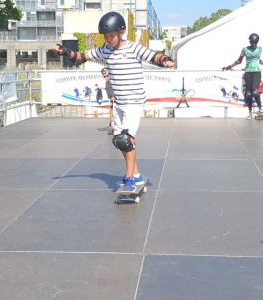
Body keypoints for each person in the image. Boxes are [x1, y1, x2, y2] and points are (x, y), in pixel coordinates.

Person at [52, 11, 175, 192]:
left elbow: (153, 56)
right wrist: (64, 52)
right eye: (106, 37)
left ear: (121, 31)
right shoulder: (105, 50)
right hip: (119, 103)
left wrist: (165, 60)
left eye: (112, 36)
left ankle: (129, 178)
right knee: (119, 141)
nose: (109, 40)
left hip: (134, 101)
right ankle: (136, 175)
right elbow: (82, 57)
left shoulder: (133, 48)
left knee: (126, 139)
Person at [222, 33, 263, 119]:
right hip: (248, 72)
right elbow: (239, 61)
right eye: (252, 43)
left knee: (255, 92)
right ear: (250, 41)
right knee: (248, 94)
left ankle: (260, 109)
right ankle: (250, 112)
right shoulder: (245, 49)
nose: (253, 45)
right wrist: (229, 67)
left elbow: (258, 60)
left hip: (256, 72)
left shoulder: (259, 49)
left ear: (257, 42)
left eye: (255, 43)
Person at [102, 68, 115, 134]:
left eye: (107, 76)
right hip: (112, 100)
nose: (105, 78)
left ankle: (113, 126)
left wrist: (113, 97)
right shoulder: (107, 83)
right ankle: (112, 125)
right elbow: (108, 92)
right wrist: (111, 99)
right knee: (112, 110)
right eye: (104, 76)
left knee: (114, 111)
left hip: (117, 100)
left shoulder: (112, 82)